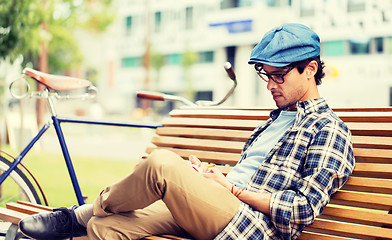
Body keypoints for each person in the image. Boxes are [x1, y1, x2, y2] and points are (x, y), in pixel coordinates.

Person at [19, 23, 355, 240]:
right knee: (105, 227)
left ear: (310, 69)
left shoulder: (328, 130)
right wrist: (211, 175)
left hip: (249, 224)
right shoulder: (276, 118)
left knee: (161, 163)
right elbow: (250, 176)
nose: (270, 85)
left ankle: (73, 215)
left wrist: (232, 190)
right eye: (265, 75)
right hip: (217, 203)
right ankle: (85, 218)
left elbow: (302, 210)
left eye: (278, 75)